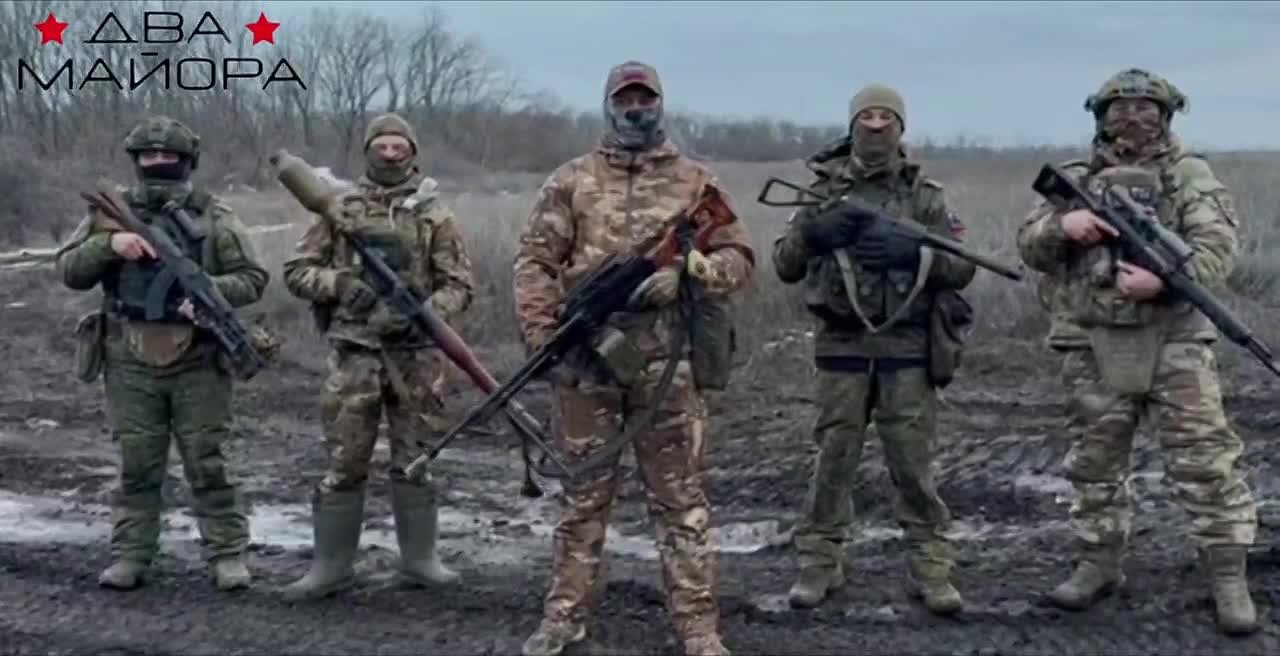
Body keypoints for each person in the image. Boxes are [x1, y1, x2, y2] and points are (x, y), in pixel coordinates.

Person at [512, 61, 755, 656]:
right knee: (582, 498)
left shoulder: (695, 181)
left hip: (667, 367)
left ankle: (698, 629)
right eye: (626, 99)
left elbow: (740, 256)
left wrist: (691, 273)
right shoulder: (571, 180)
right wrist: (544, 338)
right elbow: (535, 262)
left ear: (660, 105)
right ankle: (564, 619)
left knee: (680, 504)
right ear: (609, 106)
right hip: (588, 364)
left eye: (646, 99)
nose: (636, 108)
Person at [1016, 68, 1259, 635]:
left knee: (1205, 460)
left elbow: (1217, 250)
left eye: (1146, 107)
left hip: (1174, 340)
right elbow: (1030, 247)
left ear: (1166, 116)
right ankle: (1098, 563)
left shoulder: (1189, 175)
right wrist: (1064, 226)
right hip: (1092, 340)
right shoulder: (1076, 179)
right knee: (1095, 463)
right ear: (1100, 117)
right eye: (1119, 109)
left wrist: (1164, 284)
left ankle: (1228, 574)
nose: (1132, 118)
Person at [771, 84, 976, 614]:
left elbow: (962, 266)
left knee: (912, 463)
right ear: (852, 125)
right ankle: (819, 561)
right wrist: (815, 234)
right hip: (841, 344)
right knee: (833, 460)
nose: (877, 126)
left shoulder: (924, 196)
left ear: (901, 127)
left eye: (887, 117)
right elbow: (785, 264)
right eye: (868, 116)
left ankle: (931, 565)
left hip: (907, 347)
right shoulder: (821, 192)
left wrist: (915, 250)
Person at [54, 115, 268, 591]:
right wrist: (110, 245)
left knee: (208, 461)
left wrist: (209, 294)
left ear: (187, 161)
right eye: (148, 155)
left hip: (199, 358)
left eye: (167, 155)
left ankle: (227, 553)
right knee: (138, 463)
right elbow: (69, 270)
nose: (157, 163)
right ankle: (132, 554)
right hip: (128, 355)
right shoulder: (109, 215)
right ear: (135, 160)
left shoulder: (215, 216)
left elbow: (253, 279)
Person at [280, 113, 475, 599]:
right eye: (381, 147)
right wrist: (339, 284)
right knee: (345, 460)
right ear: (368, 151)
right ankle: (332, 566)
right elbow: (297, 271)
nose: (390, 155)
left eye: (398, 147)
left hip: (417, 359)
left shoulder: (434, 215)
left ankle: (420, 561)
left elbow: (460, 285)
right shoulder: (338, 211)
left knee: (417, 459)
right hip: (354, 355)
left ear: (412, 152)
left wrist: (424, 313)